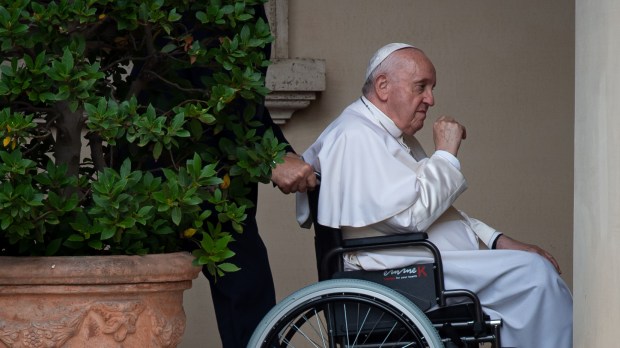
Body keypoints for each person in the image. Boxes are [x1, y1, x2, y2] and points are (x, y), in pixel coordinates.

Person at [296, 43, 572, 347]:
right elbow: (409, 217)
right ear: (383, 86)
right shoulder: (354, 135)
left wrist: (496, 239)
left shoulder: (389, 134)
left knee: (533, 270)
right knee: (535, 277)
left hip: (422, 260)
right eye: (421, 87)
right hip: (400, 269)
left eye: (431, 88)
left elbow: (436, 209)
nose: (431, 98)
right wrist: (446, 155)